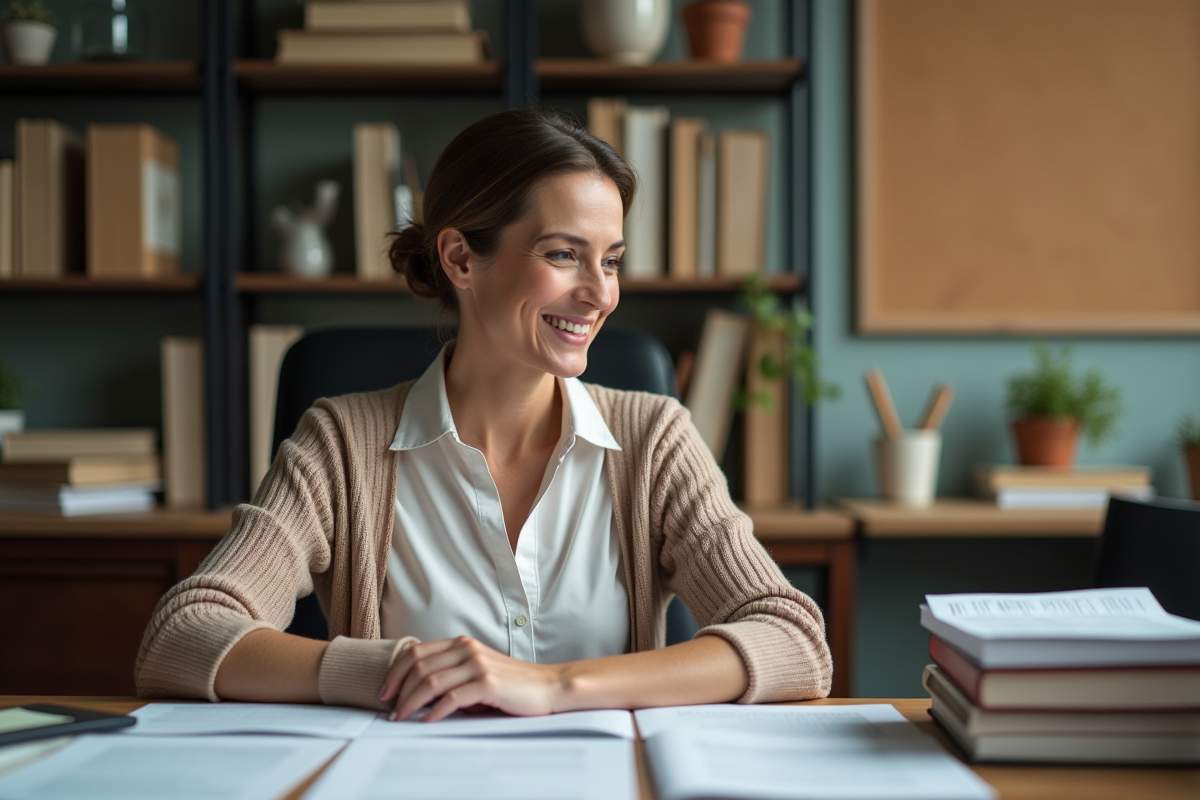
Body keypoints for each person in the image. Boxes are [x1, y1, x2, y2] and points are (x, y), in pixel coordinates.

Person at [135, 108, 832, 720]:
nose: (599, 295)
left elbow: (794, 641)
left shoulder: (654, 440)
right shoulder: (341, 446)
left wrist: (553, 685)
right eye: (564, 254)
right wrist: (389, 669)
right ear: (461, 259)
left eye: (611, 261)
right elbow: (182, 636)